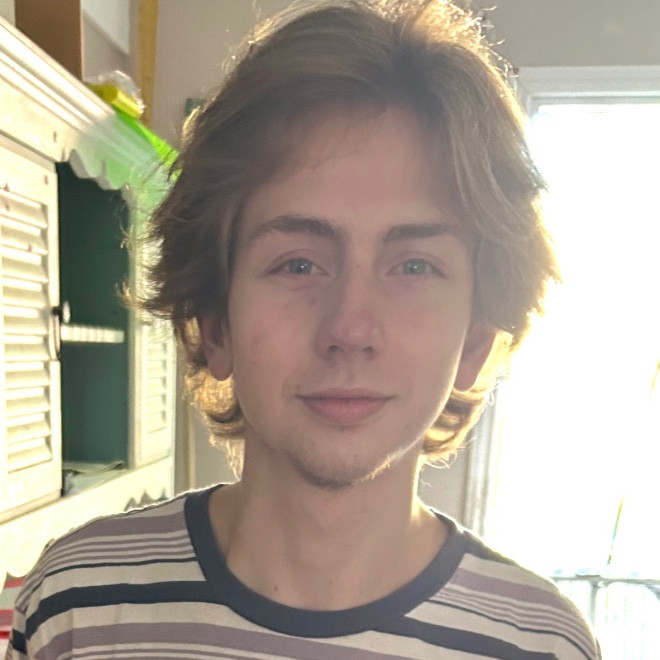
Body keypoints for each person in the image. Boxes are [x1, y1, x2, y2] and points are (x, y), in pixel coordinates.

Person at [8, 1, 600, 657]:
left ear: (477, 340)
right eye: (298, 263)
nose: (350, 328)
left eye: (414, 265)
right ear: (214, 324)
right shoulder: (73, 608)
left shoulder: (540, 645)